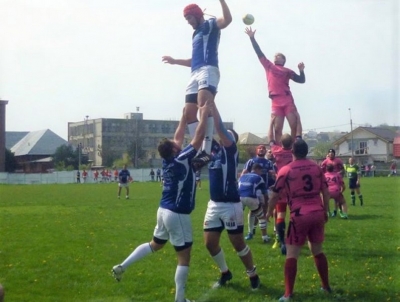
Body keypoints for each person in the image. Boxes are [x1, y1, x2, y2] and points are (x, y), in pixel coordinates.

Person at [112, 102, 210, 302]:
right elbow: (198, 138)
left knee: (154, 245)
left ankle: (122, 266)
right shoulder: (181, 158)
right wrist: (205, 113)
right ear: (174, 150)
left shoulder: (168, 160)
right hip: (177, 213)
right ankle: (180, 299)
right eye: (176, 145)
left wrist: (184, 116)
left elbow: (178, 136)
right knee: (184, 257)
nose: (178, 143)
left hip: (163, 210)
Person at [162, 1, 232, 168]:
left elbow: (228, 20)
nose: (188, 21)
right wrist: (175, 61)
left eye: (189, 17)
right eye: (186, 19)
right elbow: (194, 60)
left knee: (203, 104)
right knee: (188, 112)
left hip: (208, 69)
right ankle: (199, 147)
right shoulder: (195, 34)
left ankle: (206, 151)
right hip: (195, 72)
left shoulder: (210, 25)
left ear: (197, 14)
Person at [202, 101, 260, 290]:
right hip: (214, 204)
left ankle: (252, 273)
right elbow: (205, 132)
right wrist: (203, 111)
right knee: (210, 244)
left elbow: (218, 128)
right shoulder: (214, 151)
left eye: (226, 135)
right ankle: (225, 272)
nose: (222, 137)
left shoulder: (231, 150)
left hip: (230, 204)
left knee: (237, 243)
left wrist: (213, 105)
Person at [266, 139, 331, 301]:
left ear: (292, 152)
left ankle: (288, 294)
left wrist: (268, 213)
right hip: (317, 212)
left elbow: (274, 194)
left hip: (300, 214)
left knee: (292, 254)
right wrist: (327, 210)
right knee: (318, 250)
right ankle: (326, 286)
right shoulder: (316, 167)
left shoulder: (286, 170)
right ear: (307, 151)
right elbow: (325, 190)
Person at [244, 27, 305, 144]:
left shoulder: (287, 70)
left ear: (283, 60)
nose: (276, 56)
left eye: (279, 55)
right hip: (275, 101)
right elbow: (259, 53)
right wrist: (252, 38)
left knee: (293, 123)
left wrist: (301, 70)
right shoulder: (269, 66)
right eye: (275, 55)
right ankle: (278, 149)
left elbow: (301, 80)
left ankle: (293, 147)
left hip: (286, 99)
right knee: (277, 128)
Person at [240, 144, 274, 241]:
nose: (262, 149)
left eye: (263, 148)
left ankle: (255, 230)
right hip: (254, 190)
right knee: (254, 211)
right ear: (256, 150)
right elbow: (244, 172)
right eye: (260, 148)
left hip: (265, 188)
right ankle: (251, 231)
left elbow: (273, 174)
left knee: (262, 210)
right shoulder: (251, 161)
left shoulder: (268, 162)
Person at [269, 134, 295, 254]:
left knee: (280, 214)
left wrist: (271, 122)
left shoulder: (276, 151)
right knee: (295, 214)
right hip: (293, 186)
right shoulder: (295, 152)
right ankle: (288, 238)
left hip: (280, 186)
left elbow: (271, 139)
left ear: (281, 142)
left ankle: (281, 240)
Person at [239, 163, 270, 243]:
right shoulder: (259, 177)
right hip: (250, 197)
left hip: (239, 197)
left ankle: (244, 235)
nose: (261, 173)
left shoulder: (243, 176)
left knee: (239, 218)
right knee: (261, 217)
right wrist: (266, 206)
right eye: (260, 171)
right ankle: (265, 237)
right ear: (257, 170)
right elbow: (265, 194)